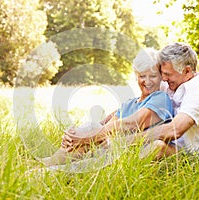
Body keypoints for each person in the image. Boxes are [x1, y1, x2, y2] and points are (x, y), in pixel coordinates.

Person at [41, 48, 174, 166]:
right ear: (136, 76)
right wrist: (74, 135)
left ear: (161, 77)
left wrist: (84, 137)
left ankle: (54, 170)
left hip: (130, 152)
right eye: (142, 76)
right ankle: (52, 162)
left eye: (153, 76)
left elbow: (132, 123)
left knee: (94, 137)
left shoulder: (160, 98)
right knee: (92, 127)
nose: (148, 81)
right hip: (109, 149)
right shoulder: (129, 103)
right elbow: (105, 128)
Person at [123, 42, 199, 159]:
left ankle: (122, 165)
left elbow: (174, 130)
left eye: (167, 74)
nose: (164, 79)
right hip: (167, 144)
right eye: (162, 73)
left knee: (157, 146)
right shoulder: (169, 85)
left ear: (187, 71)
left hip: (189, 155)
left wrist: (128, 140)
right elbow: (141, 102)